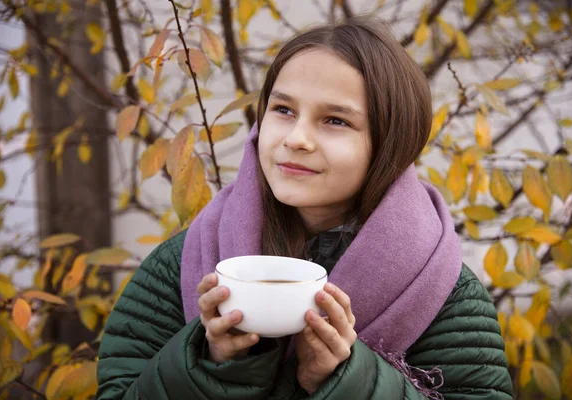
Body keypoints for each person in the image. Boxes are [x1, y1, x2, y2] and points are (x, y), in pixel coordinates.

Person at [97, 16, 513, 399]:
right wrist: (211, 363)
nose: (296, 137)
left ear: (390, 145)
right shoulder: (183, 265)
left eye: (335, 120)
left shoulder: (439, 289)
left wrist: (345, 379)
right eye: (283, 110)